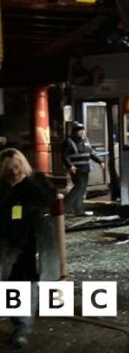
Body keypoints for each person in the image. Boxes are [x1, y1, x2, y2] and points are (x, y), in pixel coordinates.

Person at [0, 149, 56, 349]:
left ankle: (22, 327)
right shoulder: (3, 189)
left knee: (24, 283)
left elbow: (48, 200)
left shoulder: (32, 186)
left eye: (17, 167)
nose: (14, 172)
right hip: (6, 243)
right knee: (8, 284)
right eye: (9, 169)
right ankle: (18, 323)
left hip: (28, 244)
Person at [61, 121, 104, 216]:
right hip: (76, 169)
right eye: (79, 130)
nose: (82, 132)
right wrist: (70, 166)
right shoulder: (68, 142)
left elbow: (91, 153)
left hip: (85, 168)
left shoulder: (85, 141)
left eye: (82, 130)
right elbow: (64, 156)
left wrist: (100, 161)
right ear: (74, 132)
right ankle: (64, 206)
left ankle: (79, 210)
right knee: (79, 187)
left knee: (82, 189)